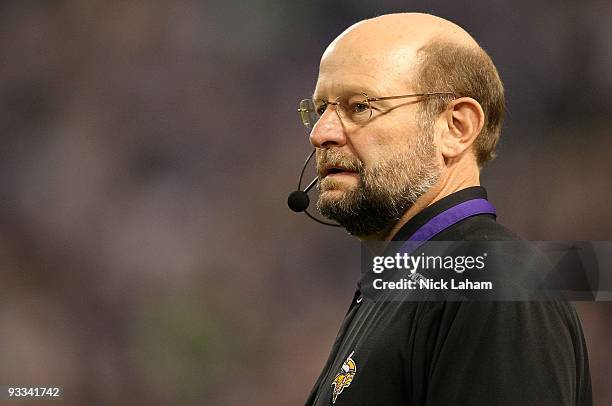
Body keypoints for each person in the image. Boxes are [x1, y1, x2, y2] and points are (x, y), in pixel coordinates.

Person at [297, 13, 592, 405]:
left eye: (360, 106)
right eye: (321, 109)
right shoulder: (411, 281)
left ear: (456, 127)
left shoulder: (494, 285)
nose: (322, 133)